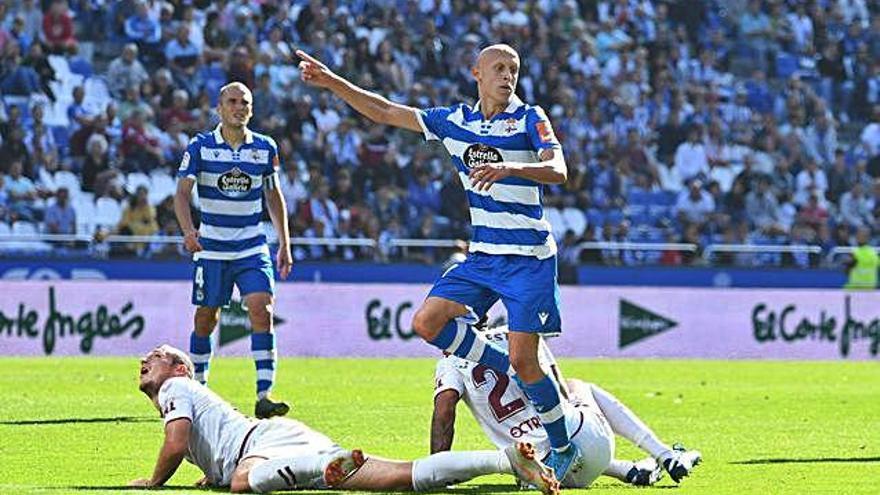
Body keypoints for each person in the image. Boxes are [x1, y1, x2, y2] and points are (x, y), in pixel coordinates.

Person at [297, 44, 581, 479]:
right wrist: (332, 81)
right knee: (427, 323)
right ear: (477, 73)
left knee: (529, 362)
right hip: (484, 256)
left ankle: (562, 447)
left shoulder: (530, 117)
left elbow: (558, 168)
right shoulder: (455, 122)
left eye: (514, 70)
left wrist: (510, 168)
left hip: (529, 259)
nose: (508, 76)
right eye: (499, 68)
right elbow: (386, 111)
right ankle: (505, 366)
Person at [131, 345, 560, 494]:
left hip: (265, 444)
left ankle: (319, 467)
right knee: (402, 477)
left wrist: (154, 483)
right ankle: (505, 460)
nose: (145, 360)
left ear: (180, 369)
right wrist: (212, 470)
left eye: (158, 356)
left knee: (245, 481)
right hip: (286, 442)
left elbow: (176, 442)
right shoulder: (188, 391)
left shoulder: (177, 389)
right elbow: (201, 440)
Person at [431, 324, 703, 488]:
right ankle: (665, 455)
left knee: (541, 440)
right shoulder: (514, 335)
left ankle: (627, 469)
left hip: (532, 471)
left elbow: (444, 413)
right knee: (576, 387)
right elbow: (558, 389)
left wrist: (438, 467)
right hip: (584, 444)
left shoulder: (450, 360)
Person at [174, 82, 293, 419]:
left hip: (252, 246)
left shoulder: (265, 148)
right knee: (205, 319)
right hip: (212, 248)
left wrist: (284, 241)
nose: (239, 107)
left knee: (261, 309)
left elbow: (273, 196)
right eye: (233, 101)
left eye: (245, 102)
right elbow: (181, 194)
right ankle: (198, 391)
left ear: (251, 109)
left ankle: (264, 396)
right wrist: (188, 231)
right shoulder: (200, 147)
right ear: (219, 108)